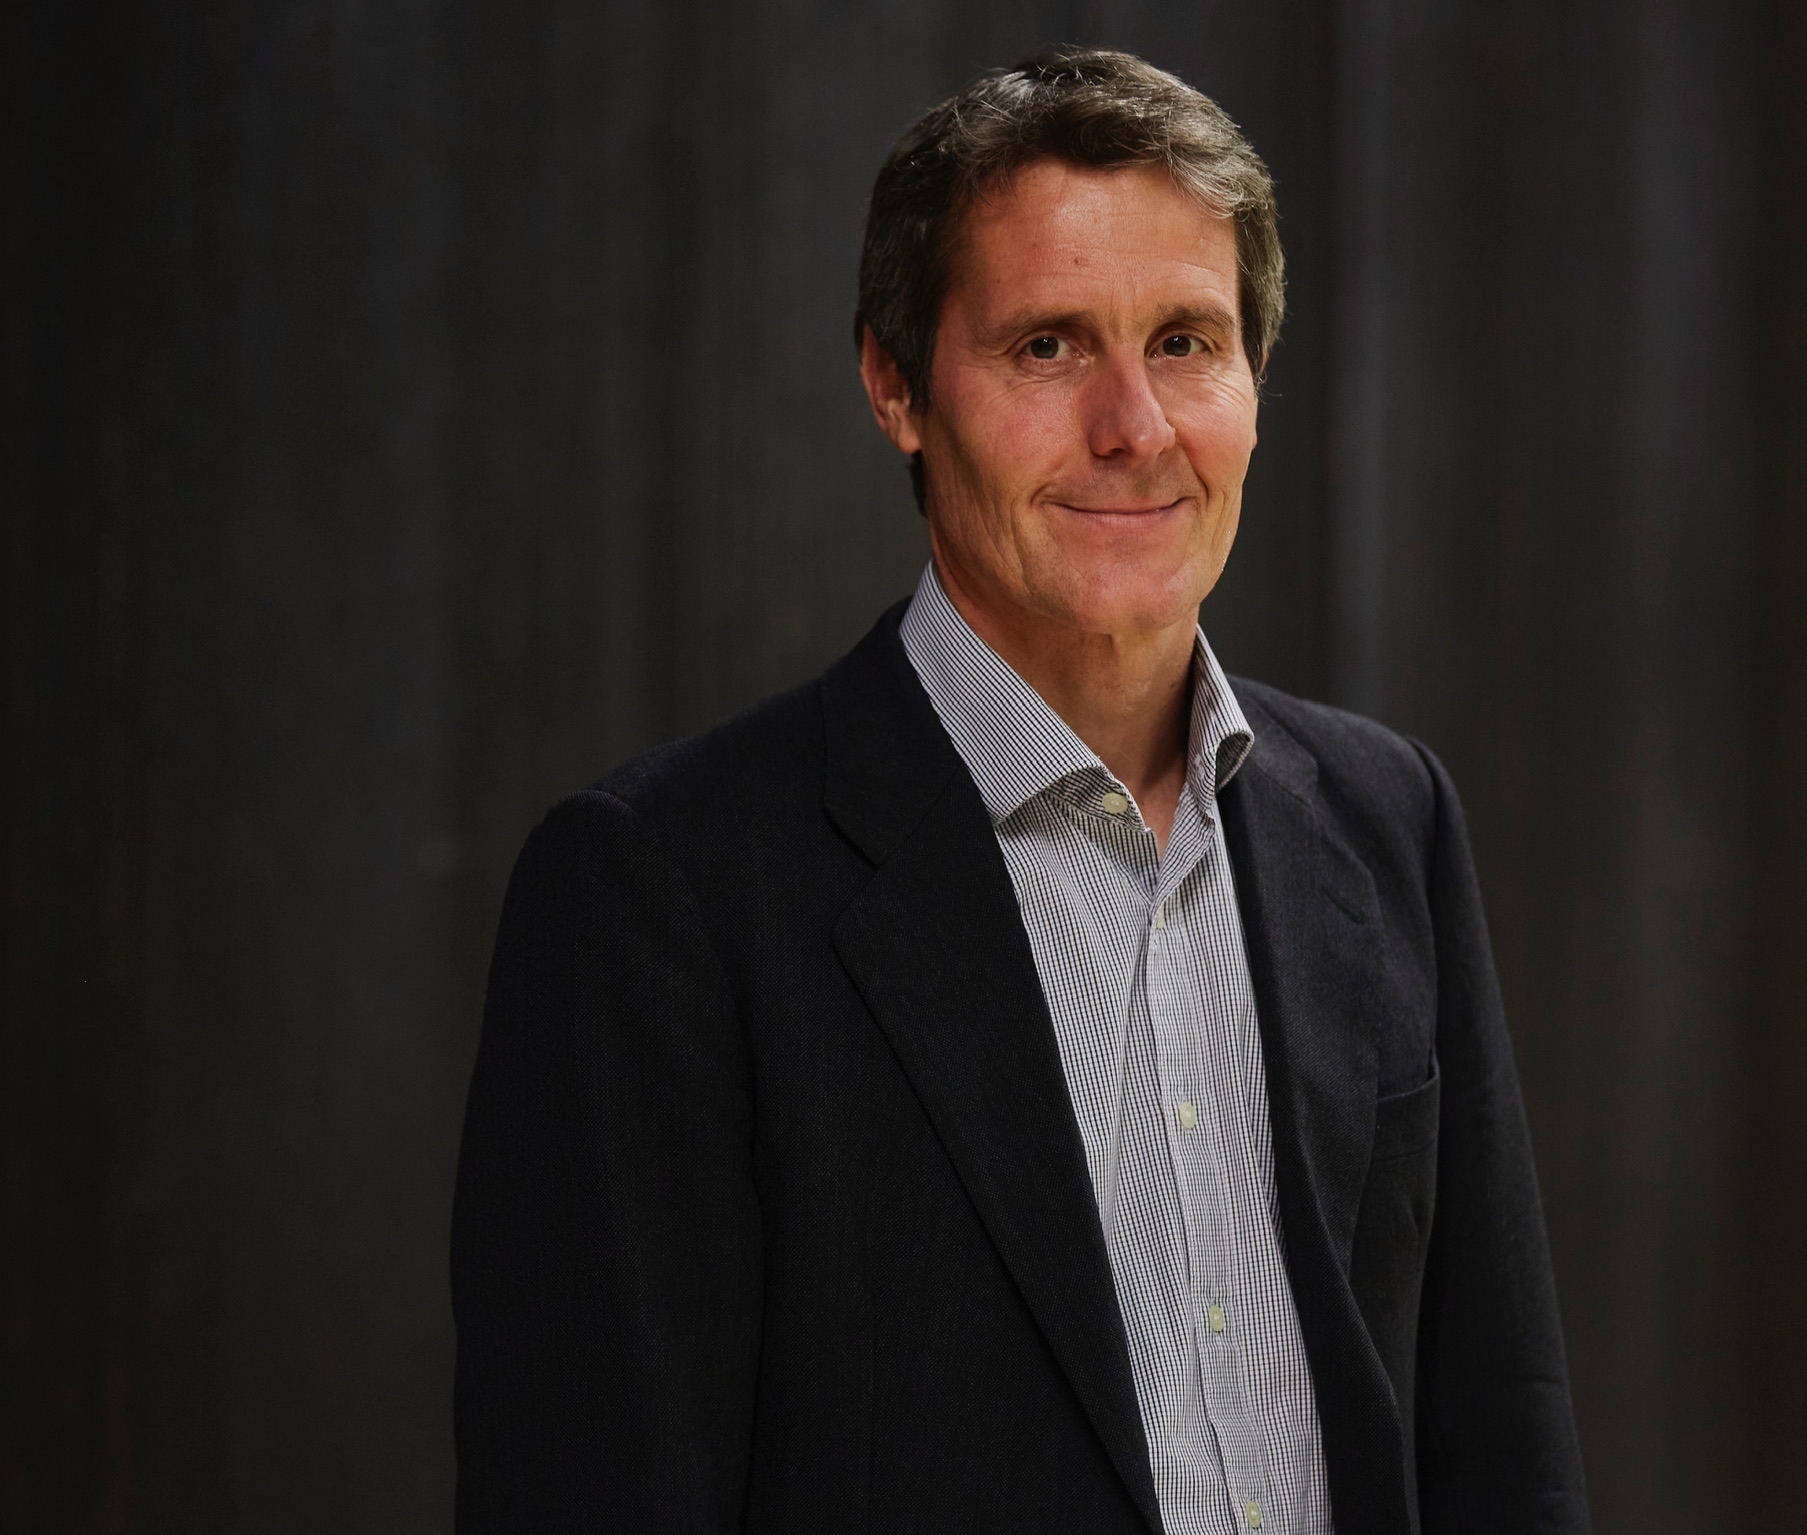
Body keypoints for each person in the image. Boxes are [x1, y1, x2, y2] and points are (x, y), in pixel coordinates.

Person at [452, 48, 1587, 1535]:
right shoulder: (657, 894)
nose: (1136, 426)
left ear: (1255, 381)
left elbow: (1502, 1441)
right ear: (896, 384)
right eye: (1049, 346)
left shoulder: (1389, 820)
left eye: (1186, 341)